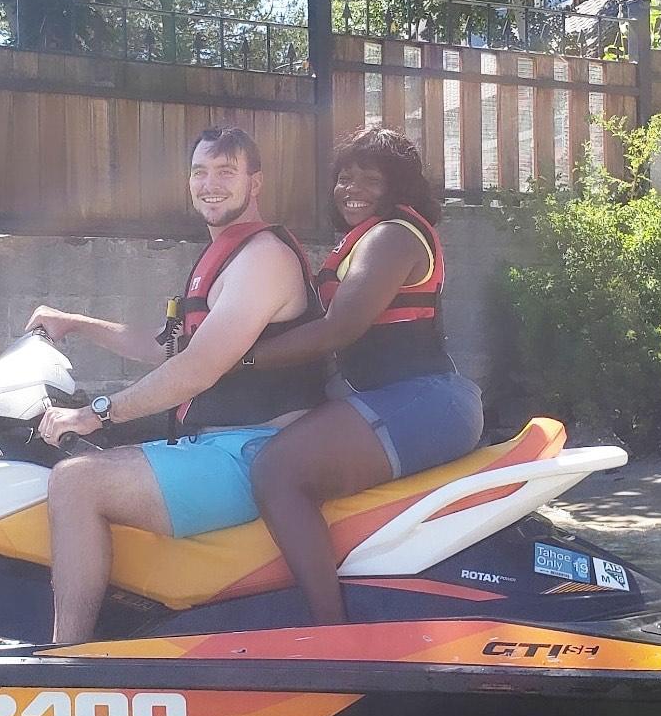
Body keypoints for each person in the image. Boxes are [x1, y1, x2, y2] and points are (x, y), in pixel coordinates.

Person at [26, 127, 325, 644]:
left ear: (256, 183)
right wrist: (73, 323)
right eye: (200, 171)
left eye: (226, 171)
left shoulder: (263, 257)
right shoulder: (225, 257)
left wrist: (95, 412)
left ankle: (65, 661)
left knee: (75, 481)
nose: (210, 184)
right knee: (74, 466)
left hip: (252, 452)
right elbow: (166, 347)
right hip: (216, 446)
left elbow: (198, 367)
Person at [243, 126, 484, 625]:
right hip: (397, 401)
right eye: (343, 178)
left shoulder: (393, 235)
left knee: (277, 472)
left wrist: (240, 359)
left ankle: (330, 628)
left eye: (368, 180)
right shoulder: (363, 240)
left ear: (397, 188)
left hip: (426, 400)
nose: (350, 189)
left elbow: (340, 328)